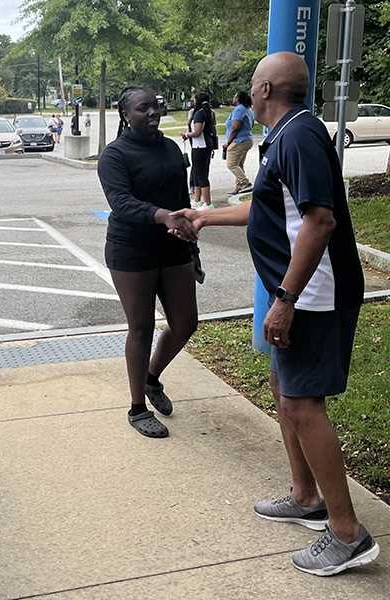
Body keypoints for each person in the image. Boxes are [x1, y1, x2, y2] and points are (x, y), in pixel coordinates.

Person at [169, 52, 379, 575]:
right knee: (286, 390)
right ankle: (307, 497)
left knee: (304, 403)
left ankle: (347, 533)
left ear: (263, 90)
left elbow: (321, 221)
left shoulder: (300, 137)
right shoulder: (288, 136)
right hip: (302, 293)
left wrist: (285, 300)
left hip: (314, 296)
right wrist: (203, 216)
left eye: (252, 82)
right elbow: (267, 208)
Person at [97, 85, 200, 438]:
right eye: (143, 108)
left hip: (173, 247)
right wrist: (162, 216)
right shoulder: (114, 155)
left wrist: (189, 239)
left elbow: (181, 195)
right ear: (126, 115)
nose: (153, 112)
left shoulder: (171, 148)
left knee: (186, 322)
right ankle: (137, 407)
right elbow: (121, 202)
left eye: (155, 106)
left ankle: (152, 378)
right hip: (132, 250)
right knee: (140, 327)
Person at [181, 91, 216, 211]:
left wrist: (186, 134)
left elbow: (197, 132)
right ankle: (197, 200)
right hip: (205, 145)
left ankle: (208, 203)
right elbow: (212, 129)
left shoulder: (198, 114)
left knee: (200, 174)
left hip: (200, 146)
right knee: (197, 172)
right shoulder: (209, 112)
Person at [223, 91, 255, 196]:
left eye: (235, 96)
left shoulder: (239, 109)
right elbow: (252, 124)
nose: (233, 97)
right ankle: (238, 187)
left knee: (231, 164)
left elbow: (235, 127)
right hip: (247, 139)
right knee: (239, 165)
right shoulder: (248, 109)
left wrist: (228, 142)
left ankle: (246, 182)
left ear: (238, 98)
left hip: (239, 141)